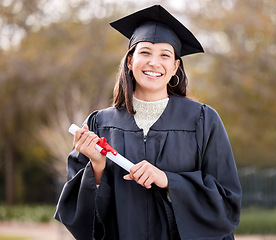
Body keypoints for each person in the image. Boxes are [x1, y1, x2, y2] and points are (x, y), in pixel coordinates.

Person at [54, 5, 241, 240]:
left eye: (165, 55)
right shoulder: (99, 124)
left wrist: (168, 181)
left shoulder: (202, 120)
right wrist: (97, 167)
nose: (154, 62)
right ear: (130, 62)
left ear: (175, 67)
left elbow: (226, 201)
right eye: (145, 53)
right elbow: (79, 217)